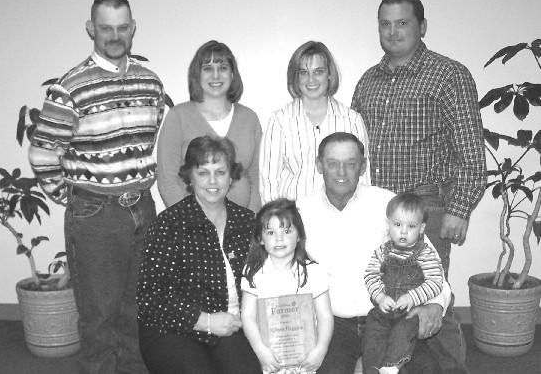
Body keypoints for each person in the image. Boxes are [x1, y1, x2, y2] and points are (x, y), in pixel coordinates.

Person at [28, 0, 164, 373]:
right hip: (96, 214)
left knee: (138, 310)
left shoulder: (151, 83)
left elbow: (149, 142)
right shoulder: (70, 87)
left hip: (142, 207)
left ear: (133, 29)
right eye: (106, 28)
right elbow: (42, 153)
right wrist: (73, 196)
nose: (115, 35)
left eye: (122, 28)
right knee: (99, 316)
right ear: (91, 29)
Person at [351, 0, 486, 373]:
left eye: (403, 23)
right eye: (385, 23)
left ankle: (451, 369)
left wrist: (459, 210)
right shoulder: (367, 82)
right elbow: (355, 149)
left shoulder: (448, 75)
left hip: (427, 207)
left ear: (422, 26)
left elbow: (472, 153)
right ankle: (390, 365)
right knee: (388, 299)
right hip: (379, 208)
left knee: (430, 301)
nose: (393, 31)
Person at [298, 132, 451, 374]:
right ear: (318, 165)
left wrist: (435, 305)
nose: (341, 172)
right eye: (332, 163)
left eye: (350, 163)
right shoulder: (301, 213)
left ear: (362, 166)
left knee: (426, 370)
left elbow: (430, 262)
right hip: (333, 326)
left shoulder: (387, 204)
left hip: (391, 320)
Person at [137, 136, 261, 374]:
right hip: (172, 330)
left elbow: (266, 280)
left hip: (229, 327)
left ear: (231, 176)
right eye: (203, 172)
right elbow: (150, 297)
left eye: (220, 172)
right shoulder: (168, 224)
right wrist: (205, 320)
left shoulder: (247, 222)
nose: (212, 181)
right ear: (189, 177)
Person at [259, 41, 370, 205]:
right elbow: (268, 183)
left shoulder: (351, 120)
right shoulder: (280, 121)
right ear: (296, 77)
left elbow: (363, 180)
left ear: (329, 74)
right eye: (304, 72)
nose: (311, 79)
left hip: (341, 217)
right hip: (294, 220)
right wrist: (279, 224)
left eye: (318, 71)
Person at [157, 40, 262, 212]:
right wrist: (191, 223)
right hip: (192, 227)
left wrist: (251, 220)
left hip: (243, 226)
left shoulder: (249, 118)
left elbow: (257, 176)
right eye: (207, 68)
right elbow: (167, 178)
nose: (215, 76)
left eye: (223, 68)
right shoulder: (178, 116)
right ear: (196, 75)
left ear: (232, 74)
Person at [241, 198, 334, 374]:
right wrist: (261, 351)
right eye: (270, 233)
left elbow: (325, 316)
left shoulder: (314, 271)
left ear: (299, 235)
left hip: (306, 354)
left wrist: (320, 350)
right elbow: (247, 315)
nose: (279, 238)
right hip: (268, 355)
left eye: (287, 230)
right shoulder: (252, 272)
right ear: (260, 239)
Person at [363, 193, 445, 374]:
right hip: (384, 308)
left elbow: (435, 282)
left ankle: (393, 365)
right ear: (388, 224)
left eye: (411, 226)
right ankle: (372, 369)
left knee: (403, 332)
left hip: (409, 312)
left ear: (422, 228)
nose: (403, 231)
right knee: (372, 331)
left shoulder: (425, 254)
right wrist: (380, 296)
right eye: (398, 224)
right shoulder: (382, 251)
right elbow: (370, 276)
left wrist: (412, 297)